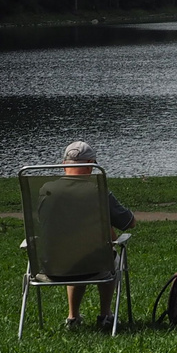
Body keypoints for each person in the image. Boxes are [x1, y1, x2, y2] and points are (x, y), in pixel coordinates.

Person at [36, 140, 135, 331]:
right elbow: (129, 222)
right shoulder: (98, 191)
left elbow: (45, 223)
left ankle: (72, 316)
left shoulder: (46, 191)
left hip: (53, 265)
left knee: (74, 254)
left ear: (64, 164)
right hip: (94, 266)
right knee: (107, 257)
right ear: (91, 165)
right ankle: (105, 315)